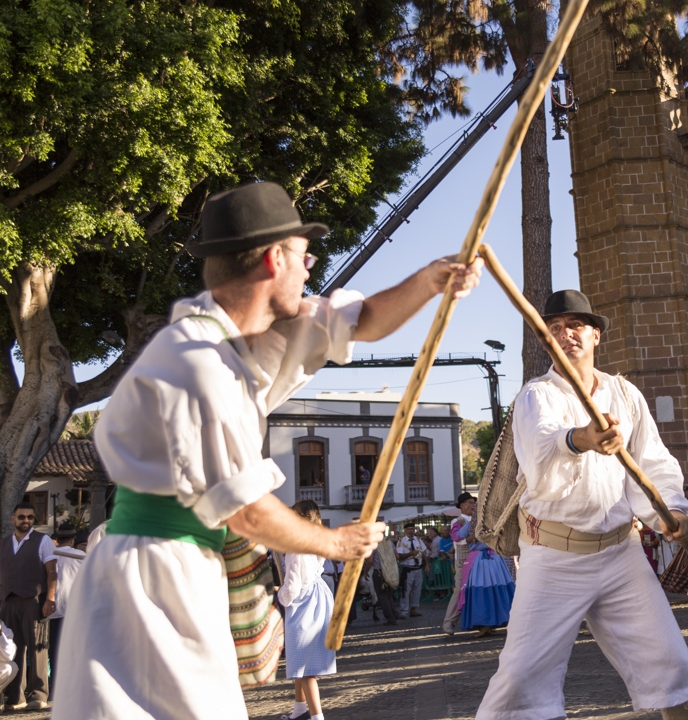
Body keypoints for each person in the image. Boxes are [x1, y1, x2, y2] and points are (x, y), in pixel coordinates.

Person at [54, 181, 478, 719]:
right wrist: (335, 541)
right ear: (275, 259)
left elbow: (363, 319)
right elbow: (248, 511)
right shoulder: (196, 362)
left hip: (185, 567)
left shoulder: (251, 336)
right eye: (305, 253)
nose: (312, 265)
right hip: (149, 579)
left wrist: (432, 280)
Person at [476, 290, 688, 720]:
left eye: (576, 326)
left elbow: (653, 463)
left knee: (674, 671)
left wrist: (668, 513)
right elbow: (541, 450)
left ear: (595, 335)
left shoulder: (625, 393)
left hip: (622, 555)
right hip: (553, 559)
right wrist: (582, 439)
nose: (566, 335)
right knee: (520, 684)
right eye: (555, 329)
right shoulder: (535, 395)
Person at [0, 502, 55, 711]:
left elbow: (52, 573)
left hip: (33, 601)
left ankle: (38, 694)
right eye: (21, 517)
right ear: (13, 519)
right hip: (8, 601)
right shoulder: (3, 543)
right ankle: (16, 697)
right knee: (12, 649)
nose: (26, 520)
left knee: (37, 647)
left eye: (30, 517)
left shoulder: (43, 541)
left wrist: (49, 599)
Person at [277, 500, 337, 720]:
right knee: (299, 658)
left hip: (304, 602)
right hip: (318, 596)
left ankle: (316, 716)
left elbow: (292, 584)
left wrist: (281, 595)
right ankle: (300, 709)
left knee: (305, 665)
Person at [457, 513, 516, 638]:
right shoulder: (496, 520)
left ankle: (486, 623)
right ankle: (493, 621)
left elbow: (457, 536)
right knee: (497, 589)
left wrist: (459, 525)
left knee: (481, 590)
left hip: (479, 559)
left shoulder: (472, 523)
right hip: (495, 558)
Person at [48, 523, 86, 695]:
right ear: (72, 539)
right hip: (74, 609)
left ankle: (54, 686)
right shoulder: (81, 556)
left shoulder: (49, 555)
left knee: (54, 651)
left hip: (51, 609)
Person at [442, 493, 476, 636]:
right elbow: (457, 540)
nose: (473, 505)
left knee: (479, 589)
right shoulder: (458, 521)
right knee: (459, 591)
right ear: (462, 505)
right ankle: (449, 622)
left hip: (479, 559)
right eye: (470, 502)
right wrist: (470, 539)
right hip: (463, 561)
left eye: (474, 502)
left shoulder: (479, 520)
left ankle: (482, 622)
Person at [396, 523, 428, 618]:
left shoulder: (418, 540)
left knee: (417, 590)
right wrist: (411, 553)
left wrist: (427, 564)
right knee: (405, 590)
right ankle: (403, 611)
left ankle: (413, 609)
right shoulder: (401, 541)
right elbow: (400, 556)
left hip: (418, 567)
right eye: (409, 529)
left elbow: (423, 553)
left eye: (412, 529)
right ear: (405, 530)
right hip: (407, 568)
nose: (411, 531)